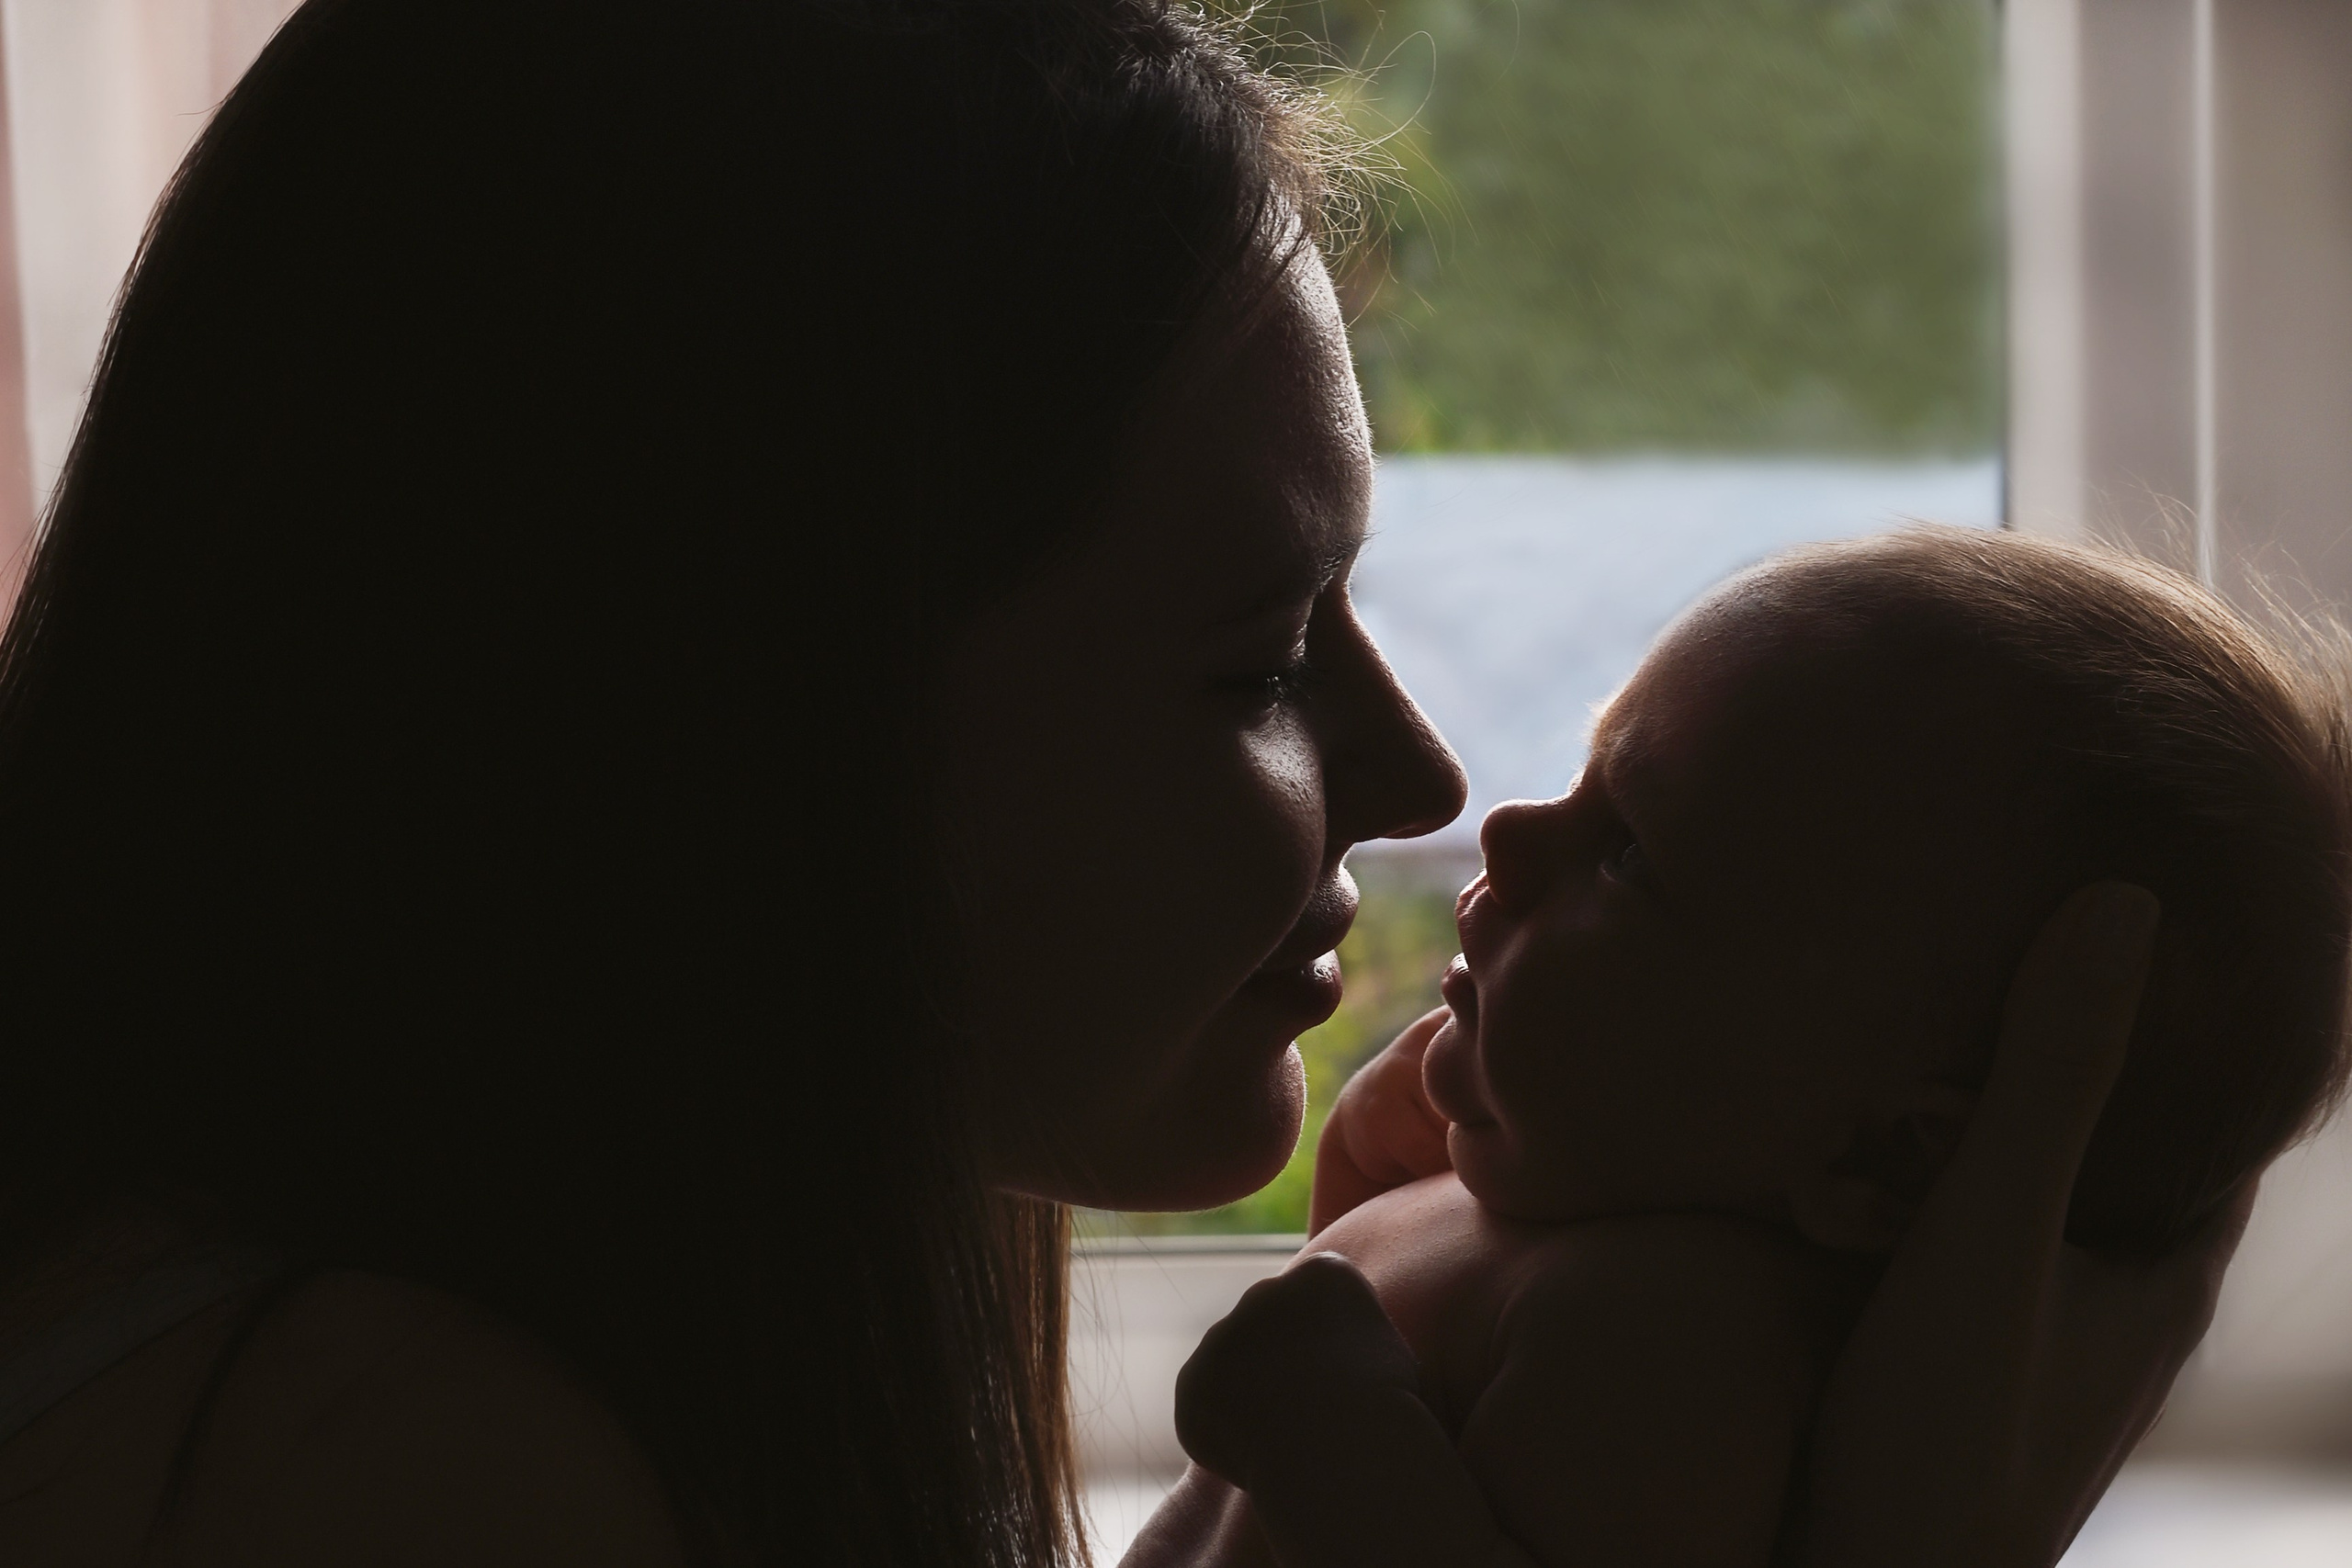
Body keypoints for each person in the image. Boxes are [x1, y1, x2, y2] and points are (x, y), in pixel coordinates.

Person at [0, 2, 2246, 1564]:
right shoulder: (397, 1476)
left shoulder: (474, 1336)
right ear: (747, 735)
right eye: (1258, 657)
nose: (1417, 773)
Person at [1157, 527, 2351, 1568]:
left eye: (1629, 853)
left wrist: (1331, 1443)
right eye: (1583, 777)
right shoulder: (1579, 1230)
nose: (1511, 830)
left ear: (1882, 1162)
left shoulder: (1669, 1336)